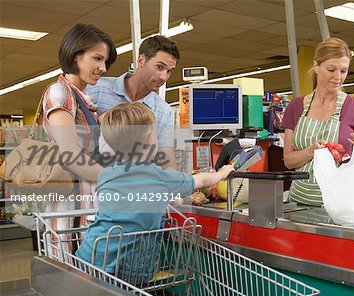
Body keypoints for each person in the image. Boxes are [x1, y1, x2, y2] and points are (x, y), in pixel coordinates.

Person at [75, 102, 234, 281]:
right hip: (129, 269)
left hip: (91, 256)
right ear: (149, 140)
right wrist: (222, 172)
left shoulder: (105, 175)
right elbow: (203, 180)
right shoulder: (159, 176)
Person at [282, 38, 354, 206]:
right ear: (316, 66)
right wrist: (311, 151)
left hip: (340, 204)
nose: (338, 77)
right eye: (331, 69)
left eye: (343, 71)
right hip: (299, 202)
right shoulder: (296, 106)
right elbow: (288, 160)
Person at [42, 23, 116, 218]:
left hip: (87, 205)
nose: (103, 68)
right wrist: (117, 181)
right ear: (76, 56)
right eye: (97, 59)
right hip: (71, 212)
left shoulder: (81, 98)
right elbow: (70, 154)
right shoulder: (59, 92)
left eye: (105, 61)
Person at [87, 35, 180, 170]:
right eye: (159, 67)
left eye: (169, 71)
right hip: (90, 183)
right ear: (141, 60)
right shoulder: (96, 90)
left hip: (135, 185)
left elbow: (166, 159)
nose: (163, 77)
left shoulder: (163, 111)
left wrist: (178, 185)